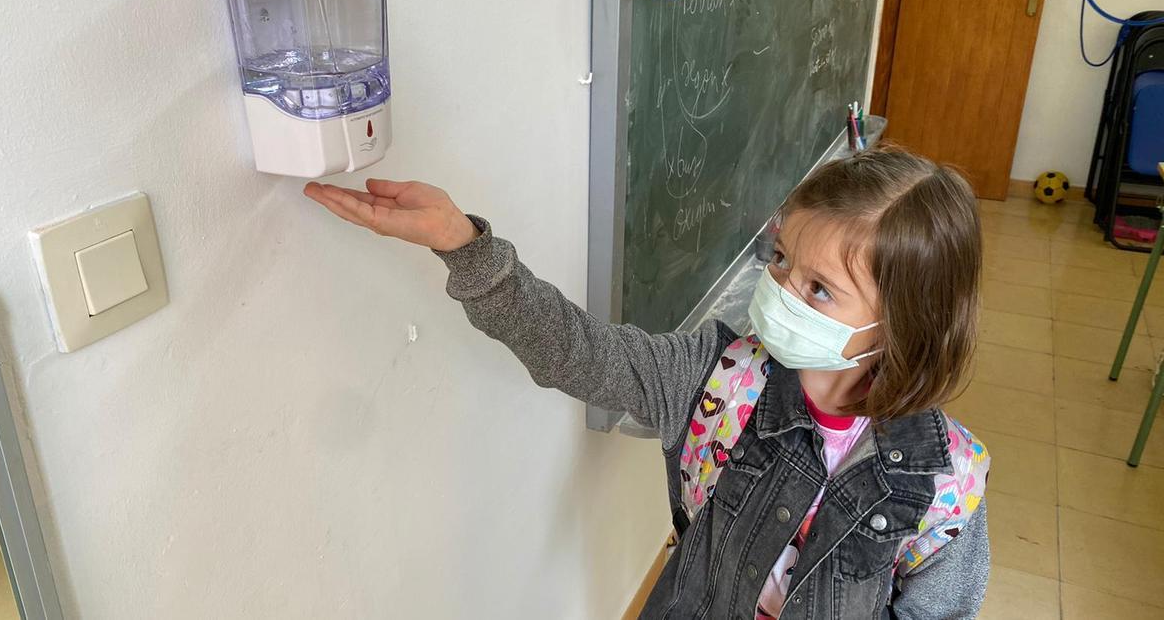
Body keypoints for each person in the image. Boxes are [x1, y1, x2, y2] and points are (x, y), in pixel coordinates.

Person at [303, 145, 991, 619]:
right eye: (781, 260)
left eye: (819, 289)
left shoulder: (947, 480)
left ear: (904, 319)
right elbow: (576, 351)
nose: (780, 289)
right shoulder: (720, 377)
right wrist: (465, 245)